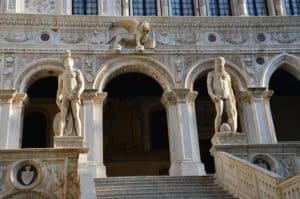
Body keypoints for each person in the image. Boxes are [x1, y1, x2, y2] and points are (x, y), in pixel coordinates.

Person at [56, 50, 84, 136]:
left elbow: (81, 83)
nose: (67, 62)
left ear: (72, 62)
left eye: (69, 61)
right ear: (64, 63)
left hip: (74, 95)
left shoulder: (76, 72)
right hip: (65, 96)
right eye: (66, 61)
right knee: (62, 117)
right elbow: (59, 88)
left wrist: (78, 92)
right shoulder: (61, 75)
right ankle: (60, 135)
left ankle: (79, 136)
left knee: (76, 116)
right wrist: (58, 96)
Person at [207, 57, 237, 133]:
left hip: (228, 95)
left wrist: (232, 98)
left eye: (220, 62)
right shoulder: (211, 74)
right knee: (219, 113)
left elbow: (230, 87)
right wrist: (212, 95)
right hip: (218, 96)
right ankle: (217, 132)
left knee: (231, 113)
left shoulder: (227, 74)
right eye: (217, 62)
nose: (219, 64)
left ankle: (233, 131)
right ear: (215, 64)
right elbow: (209, 86)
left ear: (223, 64)